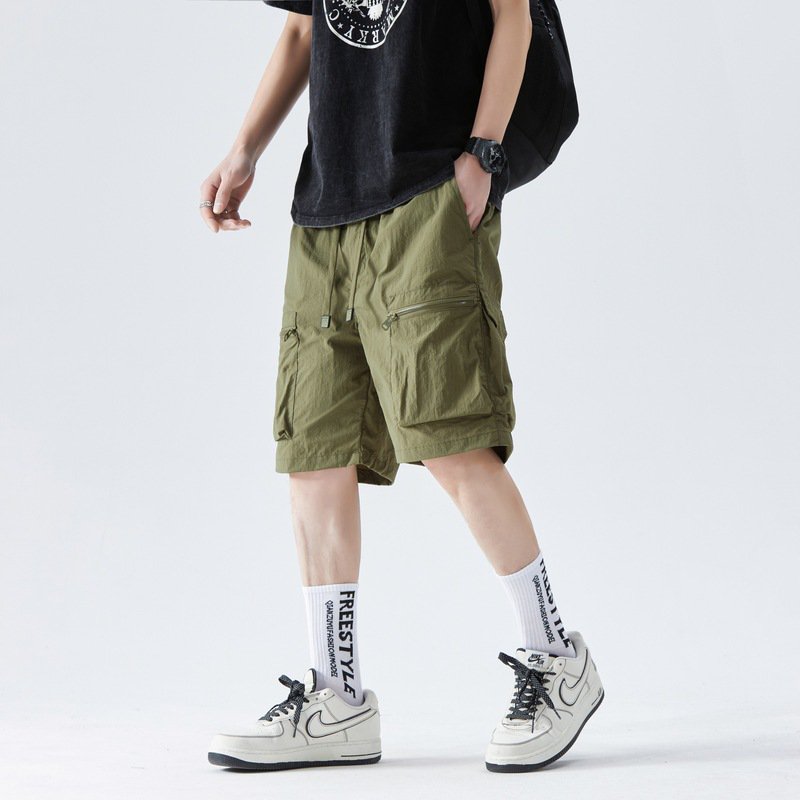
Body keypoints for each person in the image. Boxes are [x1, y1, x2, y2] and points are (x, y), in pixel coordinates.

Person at [201, 0, 602, 773]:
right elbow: (302, 28)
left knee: (451, 436)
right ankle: (337, 697)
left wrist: (484, 154)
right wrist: (244, 150)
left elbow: (513, 17)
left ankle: (558, 657)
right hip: (326, 206)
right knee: (315, 451)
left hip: (428, 190)